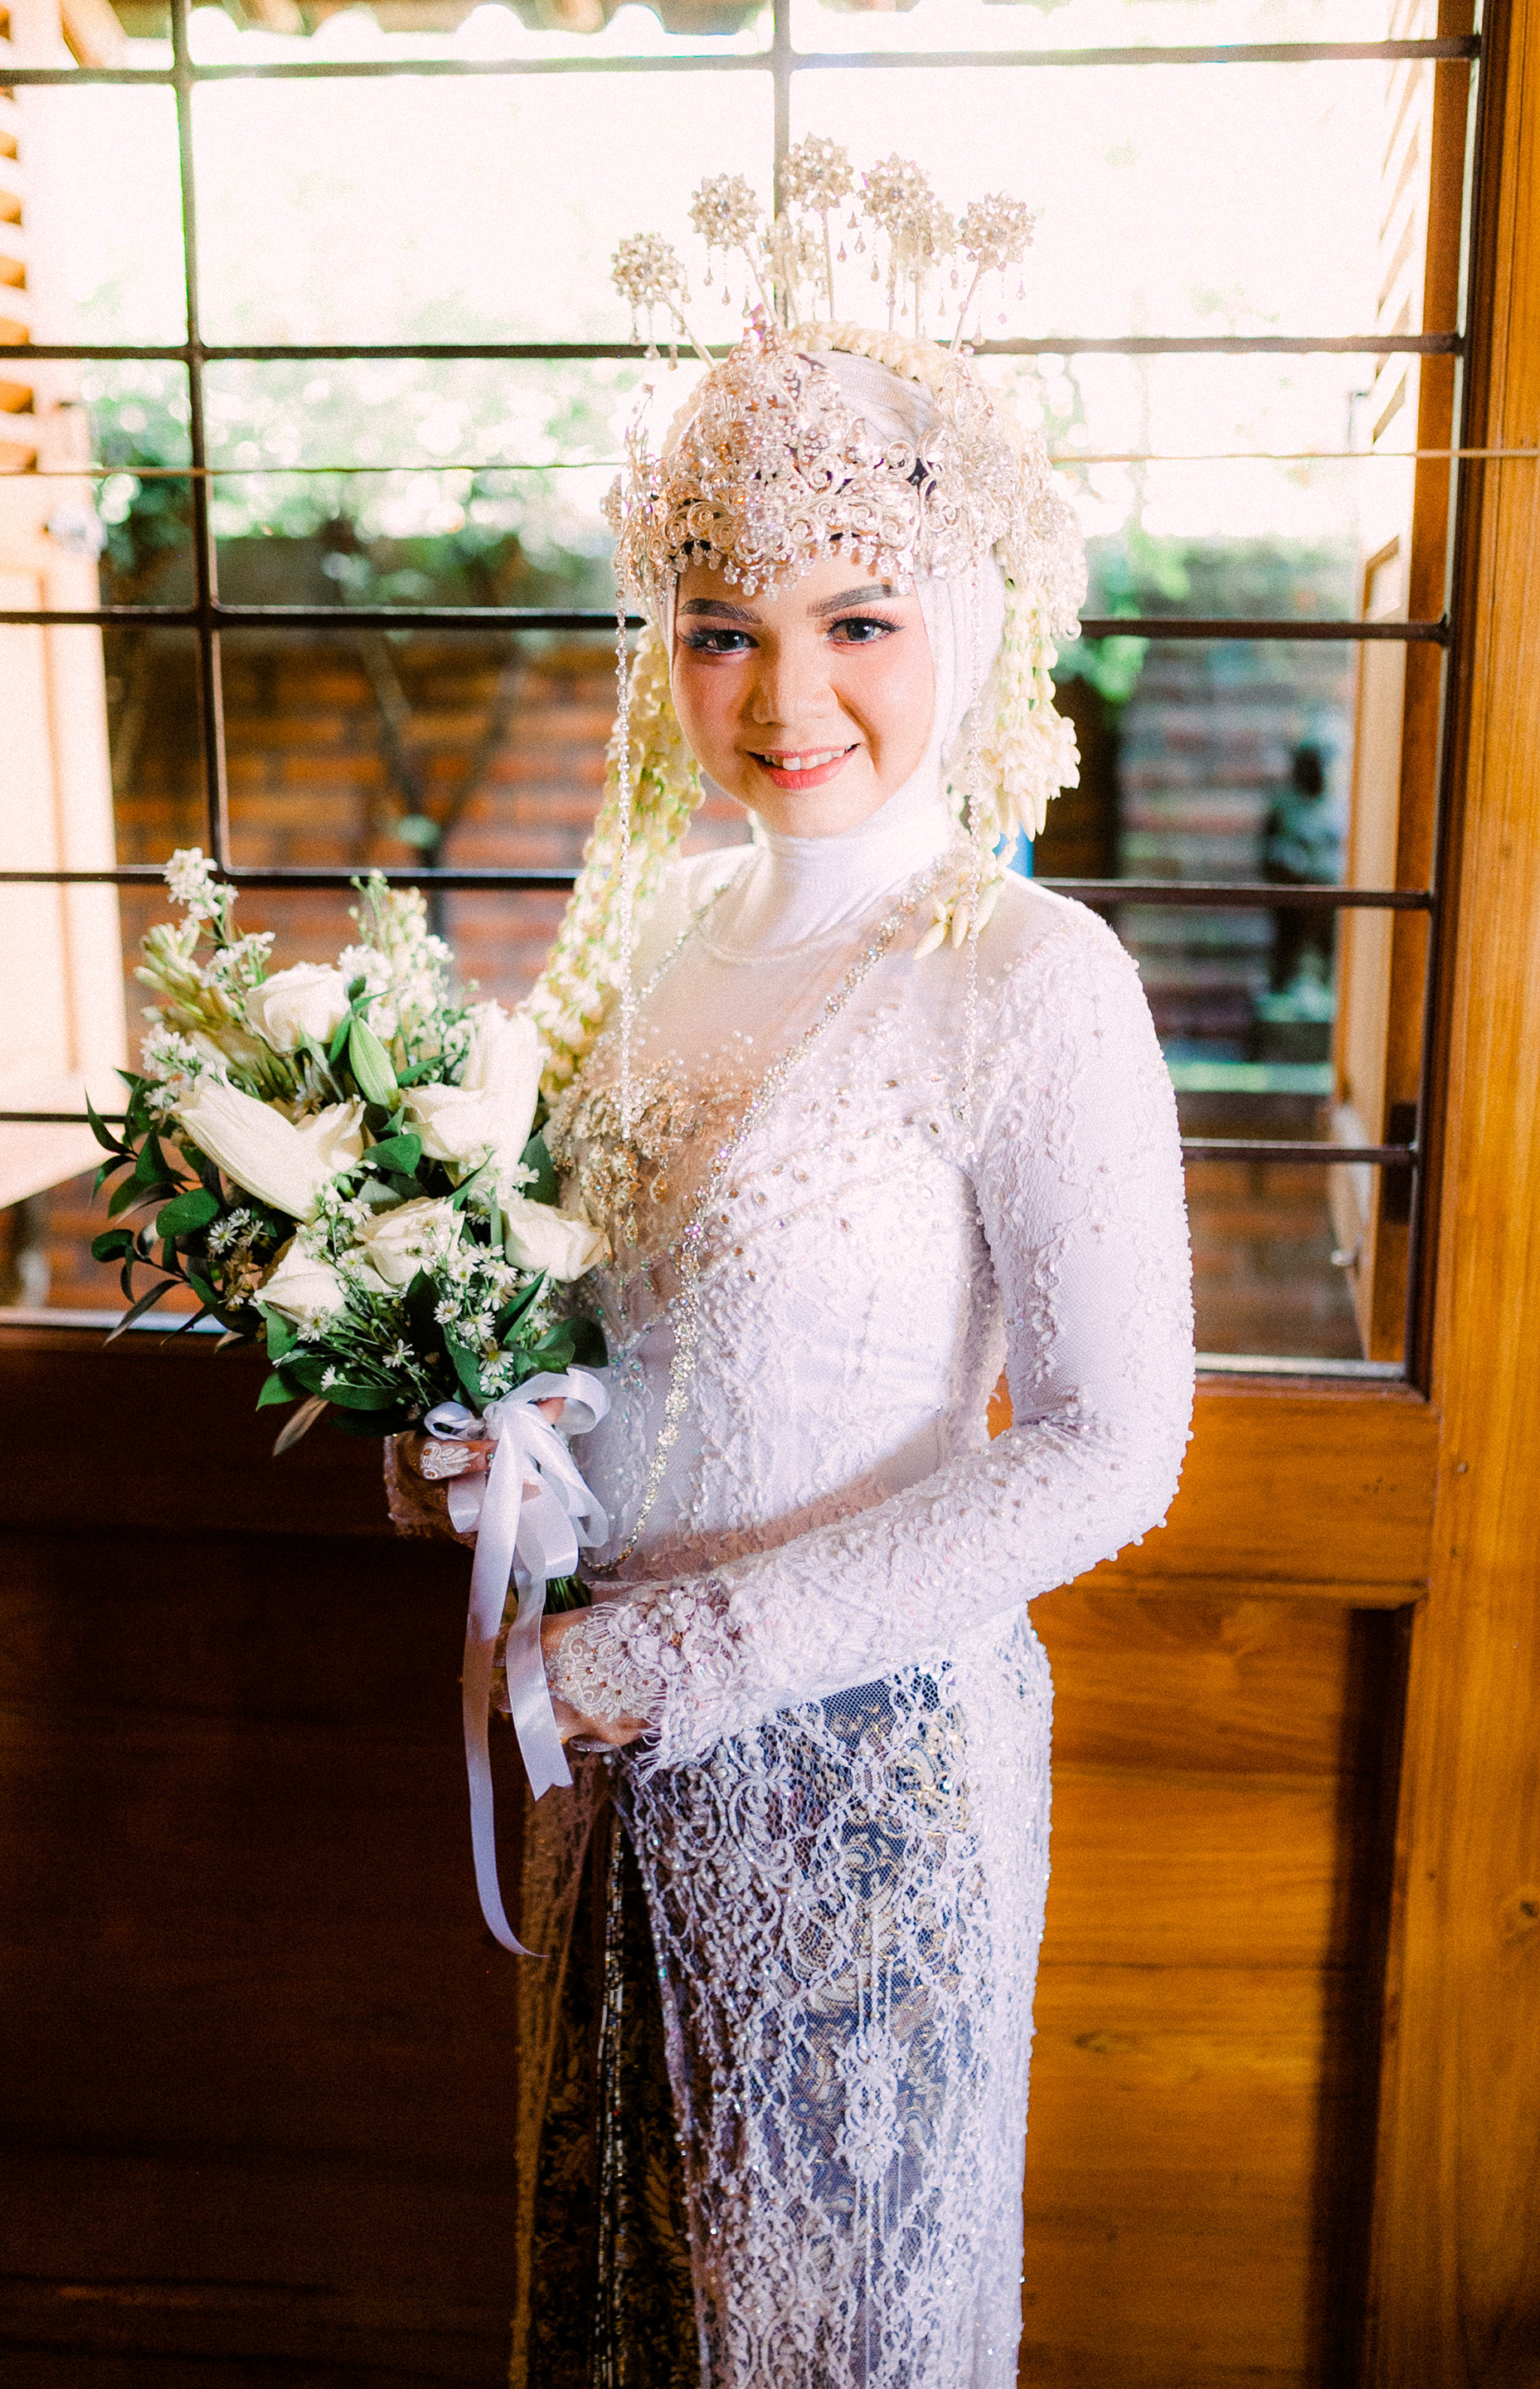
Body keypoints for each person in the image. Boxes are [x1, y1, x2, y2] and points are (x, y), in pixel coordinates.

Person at [389, 153, 1194, 2389]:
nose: (787, 692)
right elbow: (614, 1337)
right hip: (603, 1775)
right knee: (616, 2316)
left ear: (965, 613)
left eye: (860, 619)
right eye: (724, 622)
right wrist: (495, 1451)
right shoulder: (651, 945)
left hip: (862, 1793)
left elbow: (1116, 1446)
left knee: (824, 2340)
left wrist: (692, 1649)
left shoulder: (1029, 973)